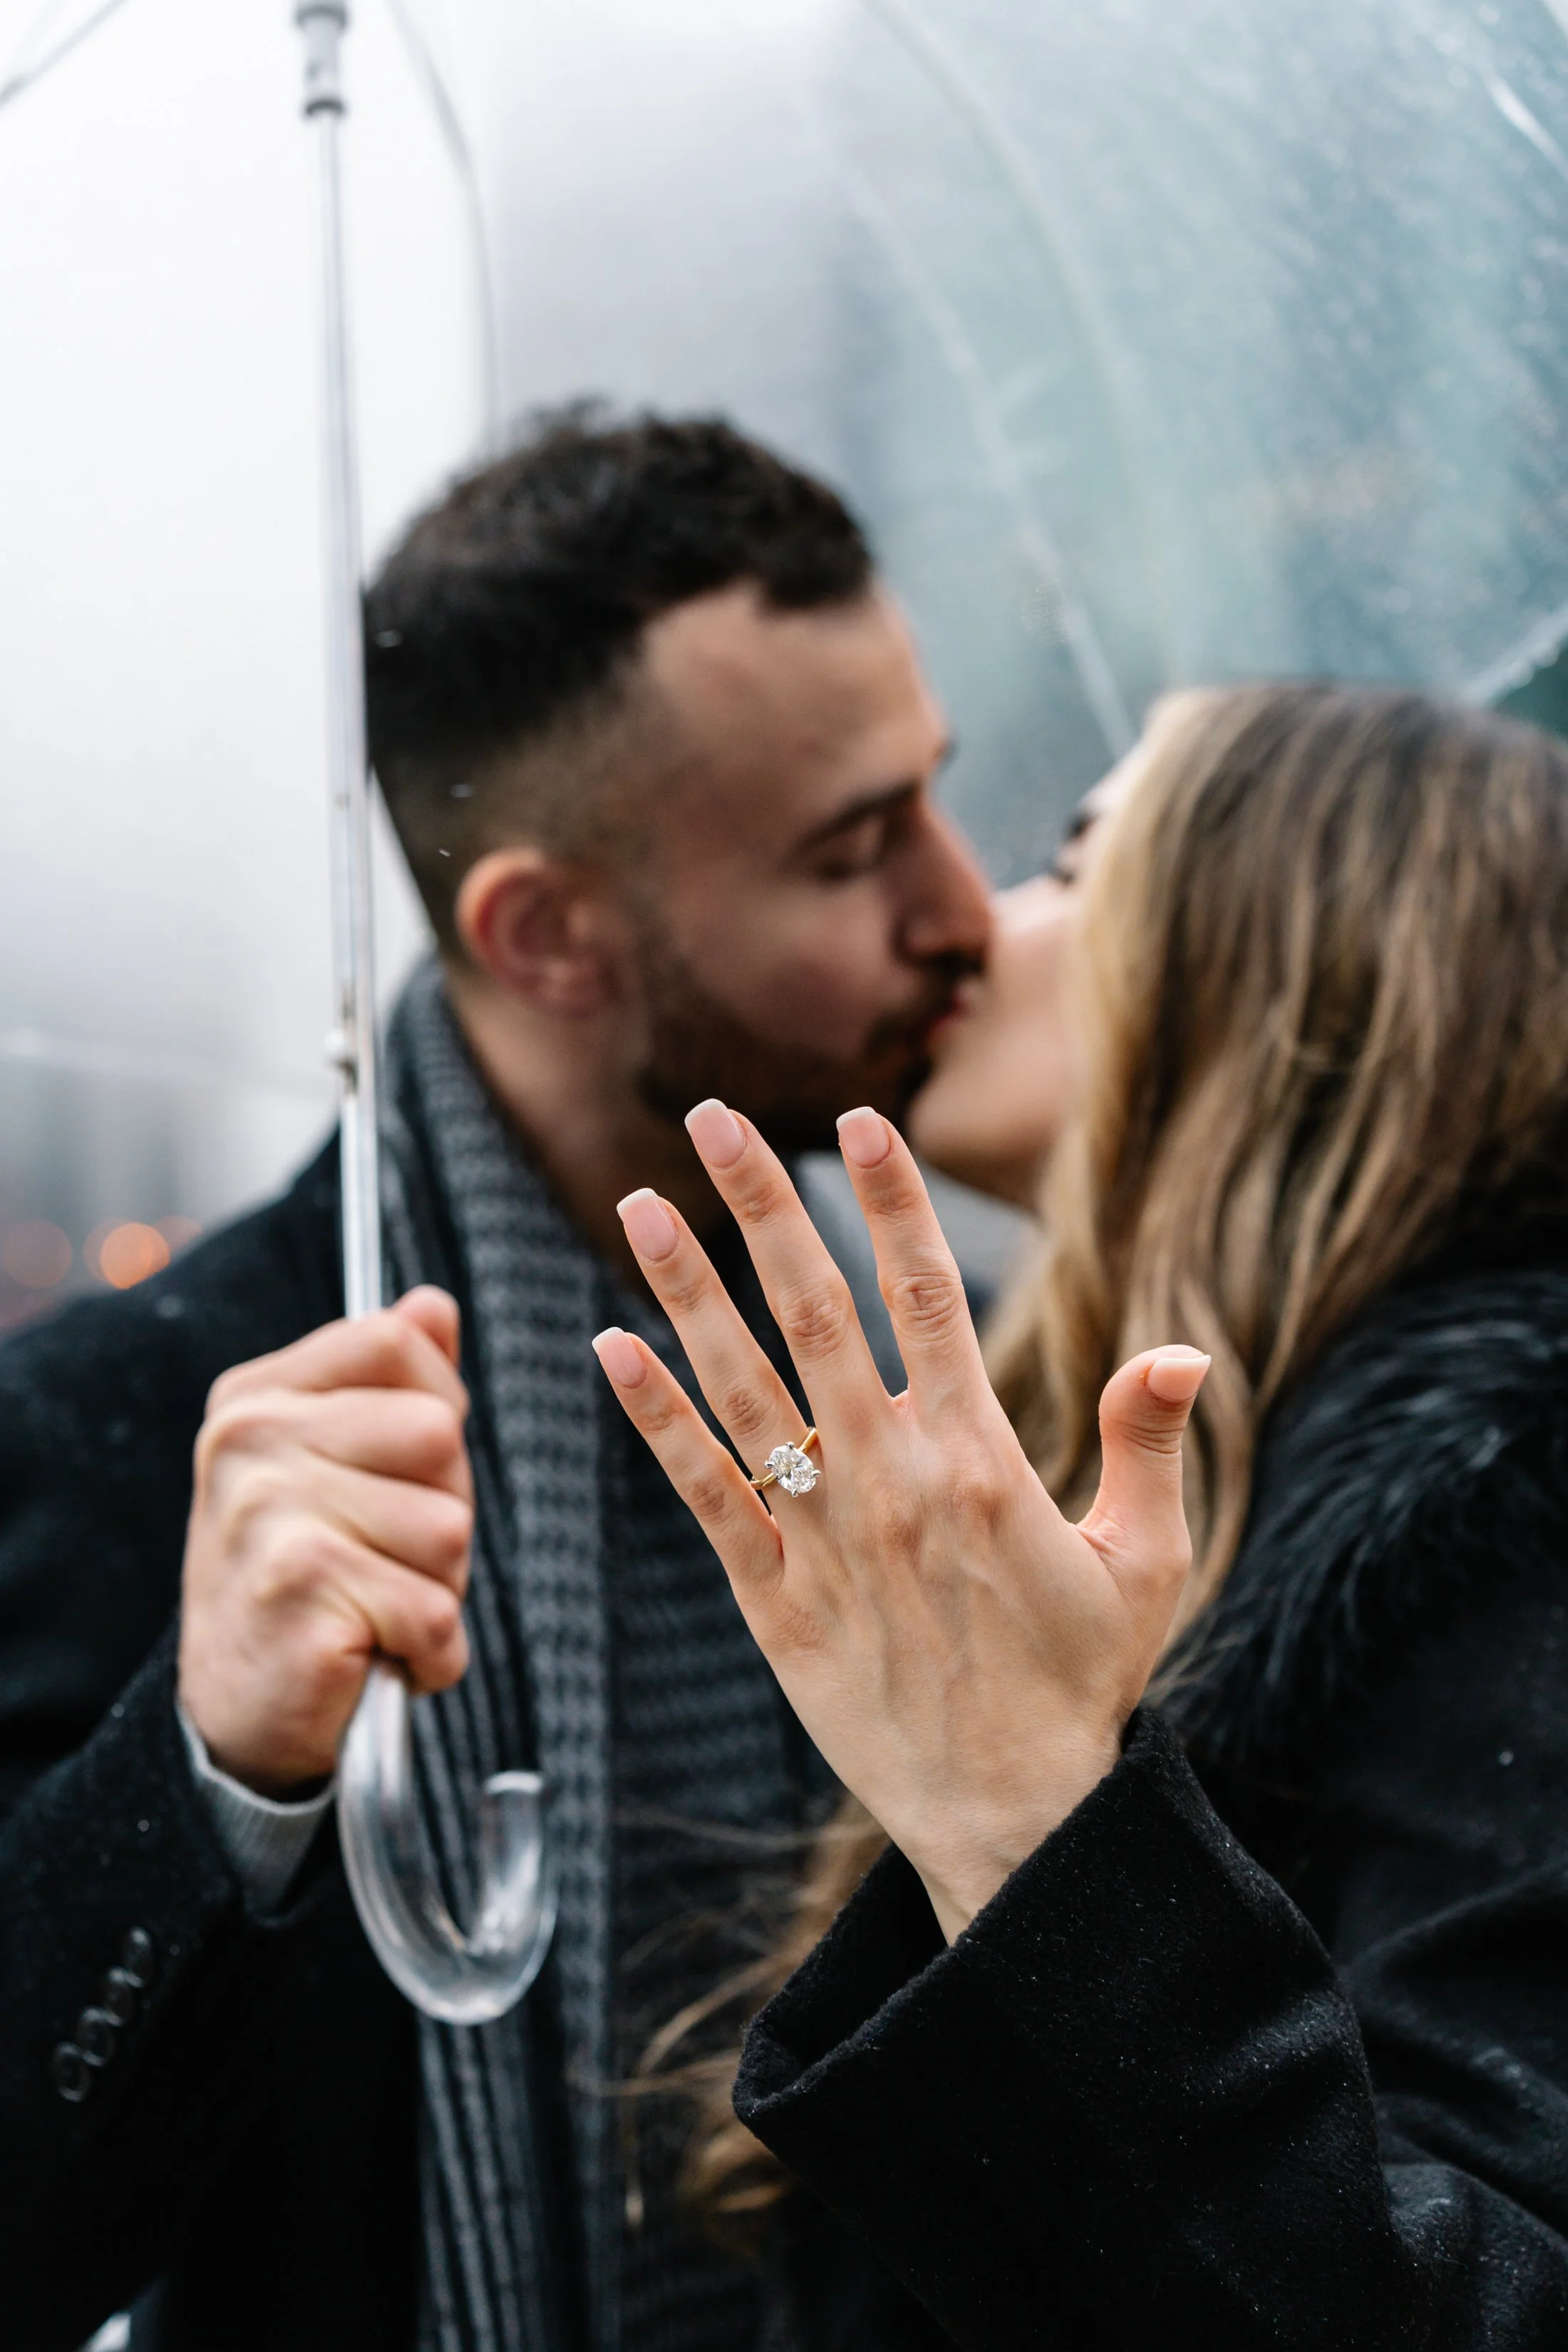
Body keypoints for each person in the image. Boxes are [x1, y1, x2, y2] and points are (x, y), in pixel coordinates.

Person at [0, 407, 1001, 2352]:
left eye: (932, 800)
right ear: (543, 933)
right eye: (852, 849)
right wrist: (215, 1769)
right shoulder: (154, 1417)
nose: (958, 907)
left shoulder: (932, 1368)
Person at [597, 682, 1568, 2347]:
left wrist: (1027, 1826)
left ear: (1274, 954)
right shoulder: (1123, 1478)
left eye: (1067, 861)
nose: (980, 916)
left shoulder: (1510, 1515)